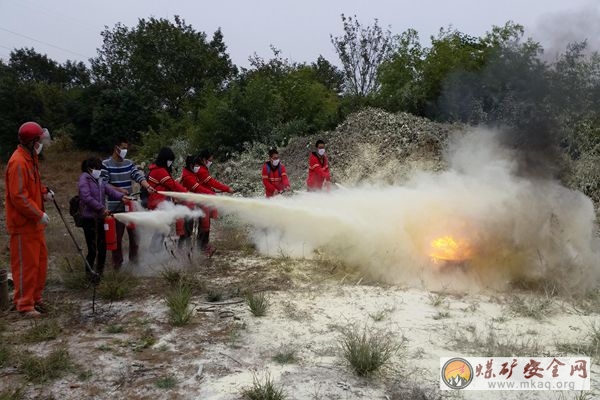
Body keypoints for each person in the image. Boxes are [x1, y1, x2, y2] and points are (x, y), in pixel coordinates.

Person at [5, 122, 53, 317]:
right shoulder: (18, 162)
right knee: (26, 266)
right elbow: (19, 196)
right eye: (39, 140)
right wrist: (38, 214)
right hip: (23, 225)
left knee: (40, 263)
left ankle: (35, 299)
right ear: (31, 141)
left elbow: (32, 186)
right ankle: (24, 306)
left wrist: (44, 193)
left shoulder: (31, 158)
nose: (41, 143)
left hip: (34, 226)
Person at [102, 138, 155, 269]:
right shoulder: (106, 164)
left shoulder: (129, 163)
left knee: (134, 235)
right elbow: (103, 184)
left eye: (126, 148)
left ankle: (134, 262)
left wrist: (147, 186)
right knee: (117, 238)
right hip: (116, 207)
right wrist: (119, 190)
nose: (125, 151)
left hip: (130, 206)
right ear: (116, 148)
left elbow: (138, 175)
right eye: (123, 148)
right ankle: (117, 265)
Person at [78, 157, 125, 282]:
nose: (99, 171)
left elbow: (109, 190)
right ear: (90, 168)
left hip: (100, 219)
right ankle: (89, 276)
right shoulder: (84, 179)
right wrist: (101, 208)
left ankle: (100, 274)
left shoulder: (99, 179)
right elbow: (86, 197)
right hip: (89, 219)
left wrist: (122, 197)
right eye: (97, 168)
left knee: (102, 248)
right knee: (92, 249)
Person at [146, 147, 189, 251]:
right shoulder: (160, 171)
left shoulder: (158, 169)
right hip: (159, 204)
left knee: (162, 229)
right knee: (161, 229)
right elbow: (172, 185)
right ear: (165, 159)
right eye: (169, 160)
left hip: (160, 203)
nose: (170, 163)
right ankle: (154, 251)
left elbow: (169, 184)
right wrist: (186, 193)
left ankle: (155, 251)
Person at [195, 150, 234, 255]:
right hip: (203, 199)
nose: (211, 162)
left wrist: (214, 190)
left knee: (204, 222)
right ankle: (202, 247)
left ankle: (202, 246)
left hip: (205, 198)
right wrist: (227, 189)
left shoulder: (202, 168)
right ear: (204, 159)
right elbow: (212, 182)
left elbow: (207, 184)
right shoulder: (201, 170)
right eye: (210, 160)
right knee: (204, 223)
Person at [178, 155, 213, 248]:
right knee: (186, 230)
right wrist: (210, 193)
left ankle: (193, 248)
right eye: (196, 165)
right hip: (186, 205)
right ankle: (183, 251)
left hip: (192, 204)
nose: (198, 167)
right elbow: (197, 187)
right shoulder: (187, 176)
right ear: (191, 164)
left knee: (190, 227)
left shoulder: (192, 173)